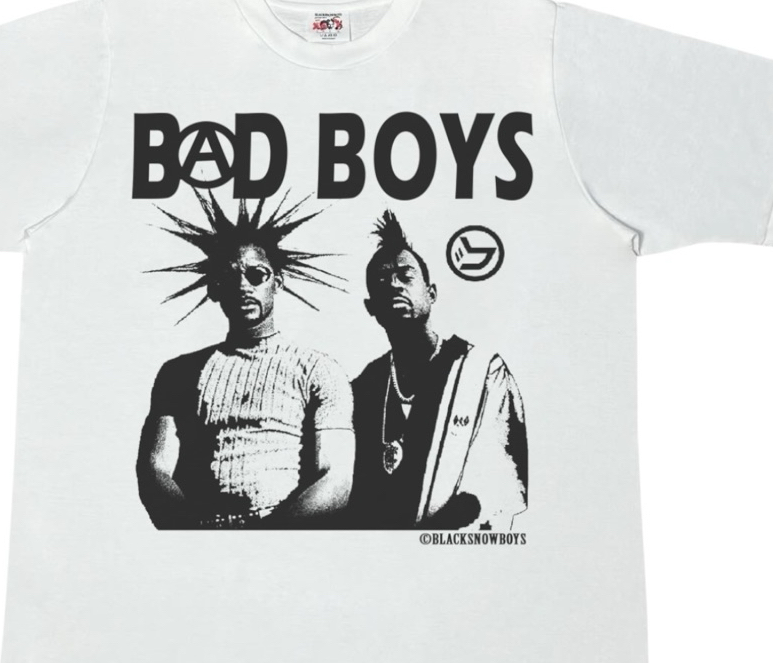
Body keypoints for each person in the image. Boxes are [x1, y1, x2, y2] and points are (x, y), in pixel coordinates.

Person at [137, 190, 354, 529]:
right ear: (214, 289)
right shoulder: (177, 374)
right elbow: (154, 470)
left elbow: (336, 481)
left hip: (283, 539)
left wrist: (263, 540)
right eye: (229, 276)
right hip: (202, 538)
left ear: (277, 283)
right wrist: (197, 537)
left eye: (257, 275)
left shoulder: (318, 369)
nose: (243, 285)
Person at [348, 211, 528, 531]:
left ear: (431, 293)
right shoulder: (363, 388)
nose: (393, 284)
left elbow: (497, 484)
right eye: (382, 280)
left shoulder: (482, 371)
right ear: (371, 307)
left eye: (405, 276)